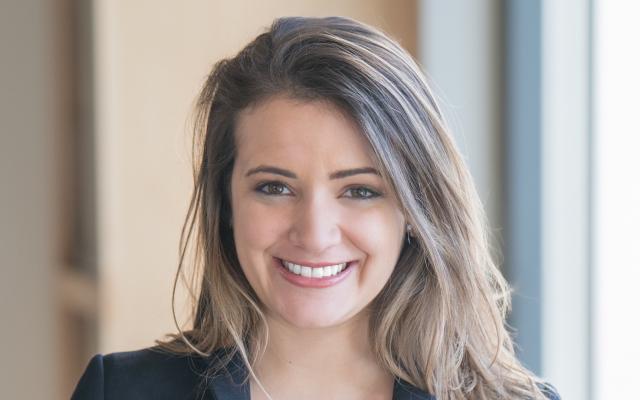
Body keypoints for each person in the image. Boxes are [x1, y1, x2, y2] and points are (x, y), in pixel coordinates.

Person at [72, 16, 561, 400]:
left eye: (360, 191)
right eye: (275, 188)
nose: (315, 233)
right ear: (226, 202)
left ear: (415, 209)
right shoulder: (119, 392)